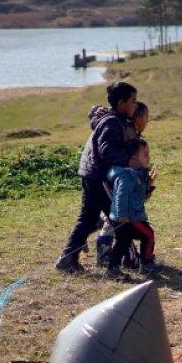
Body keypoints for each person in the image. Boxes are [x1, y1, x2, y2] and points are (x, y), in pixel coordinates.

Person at [56, 81, 137, 273]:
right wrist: (129, 160)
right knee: (121, 221)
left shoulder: (113, 120)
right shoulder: (111, 122)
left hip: (90, 174)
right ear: (121, 103)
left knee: (88, 218)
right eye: (132, 101)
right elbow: (106, 151)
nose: (136, 104)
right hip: (98, 176)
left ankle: (68, 258)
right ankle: (113, 266)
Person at [95, 100, 153, 267]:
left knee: (114, 222)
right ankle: (109, 257)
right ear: (137, 119)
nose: (147, 122)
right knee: (114, 221)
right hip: (113, 182)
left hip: (119, 183)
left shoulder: (132, 133)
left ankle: (122, 258)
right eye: (146, 118)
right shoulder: (126, 134)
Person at [107, 139, 157, 277]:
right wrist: (122, 215)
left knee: (122, 242)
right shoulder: (127, 175)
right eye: (145, 154)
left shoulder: (139, 173)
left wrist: (150, 182)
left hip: (130, 216)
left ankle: (113, 268)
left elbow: (140, 195)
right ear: (134, 158)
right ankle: (146, 263)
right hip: (128, 217)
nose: (148, 157)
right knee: (148, 235)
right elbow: (120, 195)